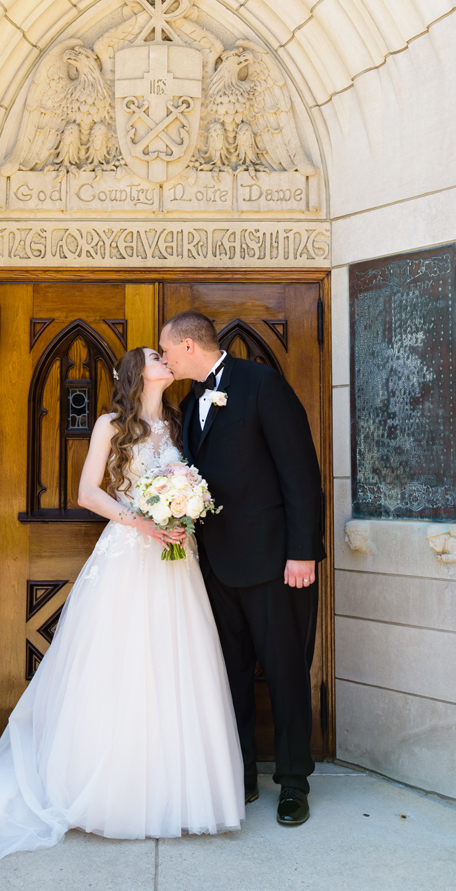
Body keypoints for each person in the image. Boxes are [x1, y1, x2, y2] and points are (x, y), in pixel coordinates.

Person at [0, 347, 243, 867]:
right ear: (136, 372)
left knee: (176, 663)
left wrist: (181, 506)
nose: (166, 360)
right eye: (155, 356)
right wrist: (143, 521)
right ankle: (109, 789)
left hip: (176, 558)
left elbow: (191, 480)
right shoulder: (110, 424)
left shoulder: (176, 422)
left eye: (167, 355)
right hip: (130, 550)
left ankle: (174, 786)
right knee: (121, 664)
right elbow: (87, 492)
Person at [160, 310, 324, 827]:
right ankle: (241, 773)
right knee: (228, 676)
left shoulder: (261, 384)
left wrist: (302, 552)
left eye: (166, 350)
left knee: (285, 672)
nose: (163, 359)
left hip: (277, 562)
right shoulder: (189, 404)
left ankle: (294, 782)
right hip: (216, 565)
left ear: (188, 345)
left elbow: (301, 473)